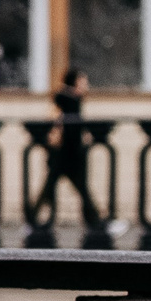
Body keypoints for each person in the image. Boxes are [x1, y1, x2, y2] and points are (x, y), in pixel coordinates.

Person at [40, 64, 103, 230]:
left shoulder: (68, 100)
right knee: (74, 186)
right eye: (83, 82)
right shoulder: (67, 100)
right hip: (65, 152)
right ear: (75, 82)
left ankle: (35, 220)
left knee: (55, 186)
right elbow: (65, 126)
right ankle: (96, 223)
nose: (86, 85)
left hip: (66, 152)